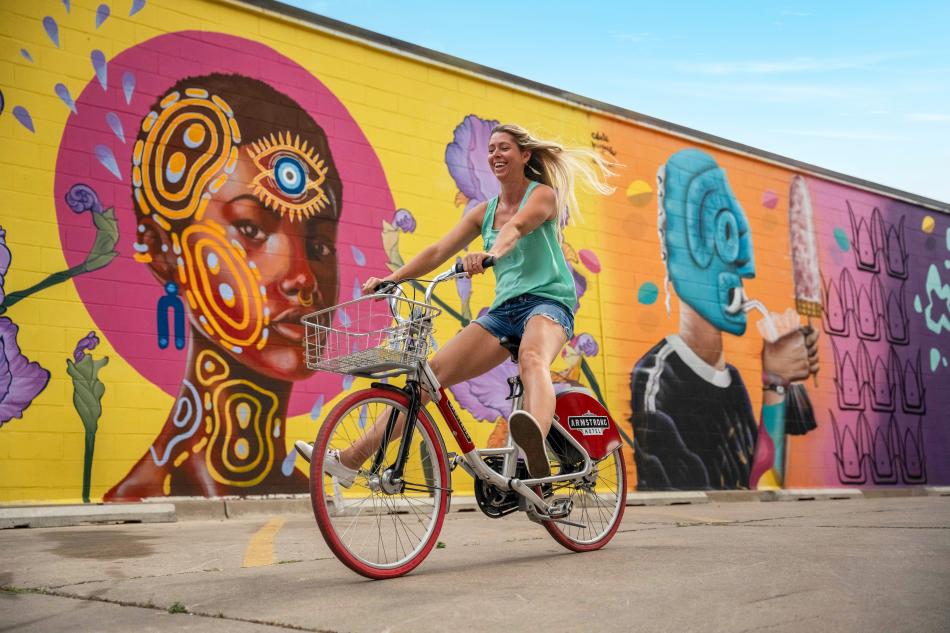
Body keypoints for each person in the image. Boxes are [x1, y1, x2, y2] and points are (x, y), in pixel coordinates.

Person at [298, 124, 614, 480]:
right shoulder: (484, 212)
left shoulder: (542, 195)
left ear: (525, 155)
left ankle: (533, 445)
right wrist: (393, 278)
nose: (495, 154)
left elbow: (516, 228)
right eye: (491, 149)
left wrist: (491, 254)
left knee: (532, 357)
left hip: (548, 304)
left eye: (504, 147)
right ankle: (350, 459)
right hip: (504, 313)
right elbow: (437, 251)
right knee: (428, 379)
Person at [106, 74, 343, 499]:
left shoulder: (311, 497)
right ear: (162, 249)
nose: (303, 279)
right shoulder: (138, 500)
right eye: (252, 229)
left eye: (320, 245)